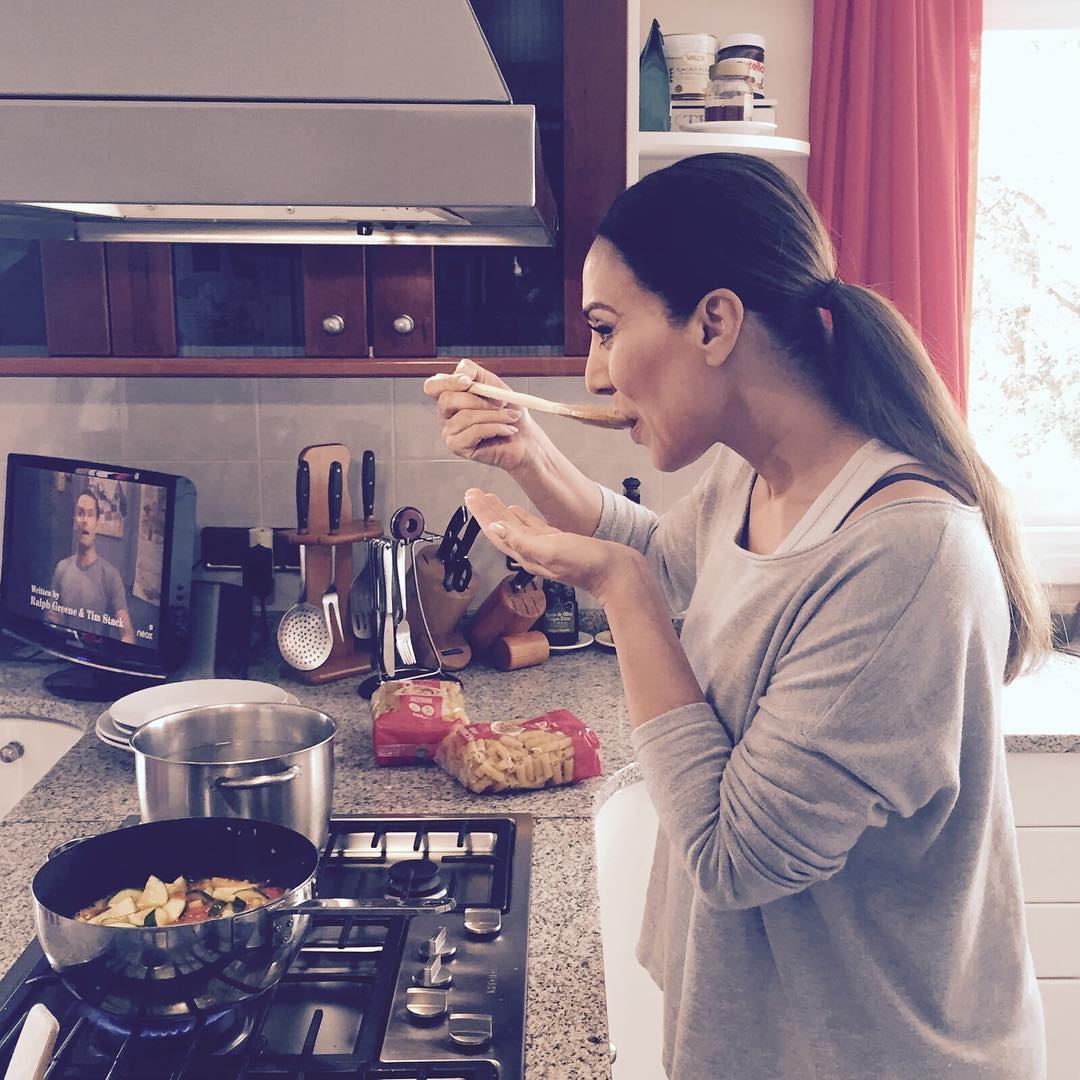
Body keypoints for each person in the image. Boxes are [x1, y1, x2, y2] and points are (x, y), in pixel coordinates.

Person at [424, 153, 1050, 1079]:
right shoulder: (753, 470)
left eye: (606, 329)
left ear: (714, 322)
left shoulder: (903, 554)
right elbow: (677, 564)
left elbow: (734, 858)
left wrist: (620, 593)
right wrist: (531, 457)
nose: (595, 374)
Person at [47, 490, 136, 644]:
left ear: (97, 522)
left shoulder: (111, 576)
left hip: (96, 657)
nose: (85, 520)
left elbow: (128, 634)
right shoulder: (61, 569)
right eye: (80, 513)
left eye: (90, 514)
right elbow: (51, 617)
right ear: (75, 521)